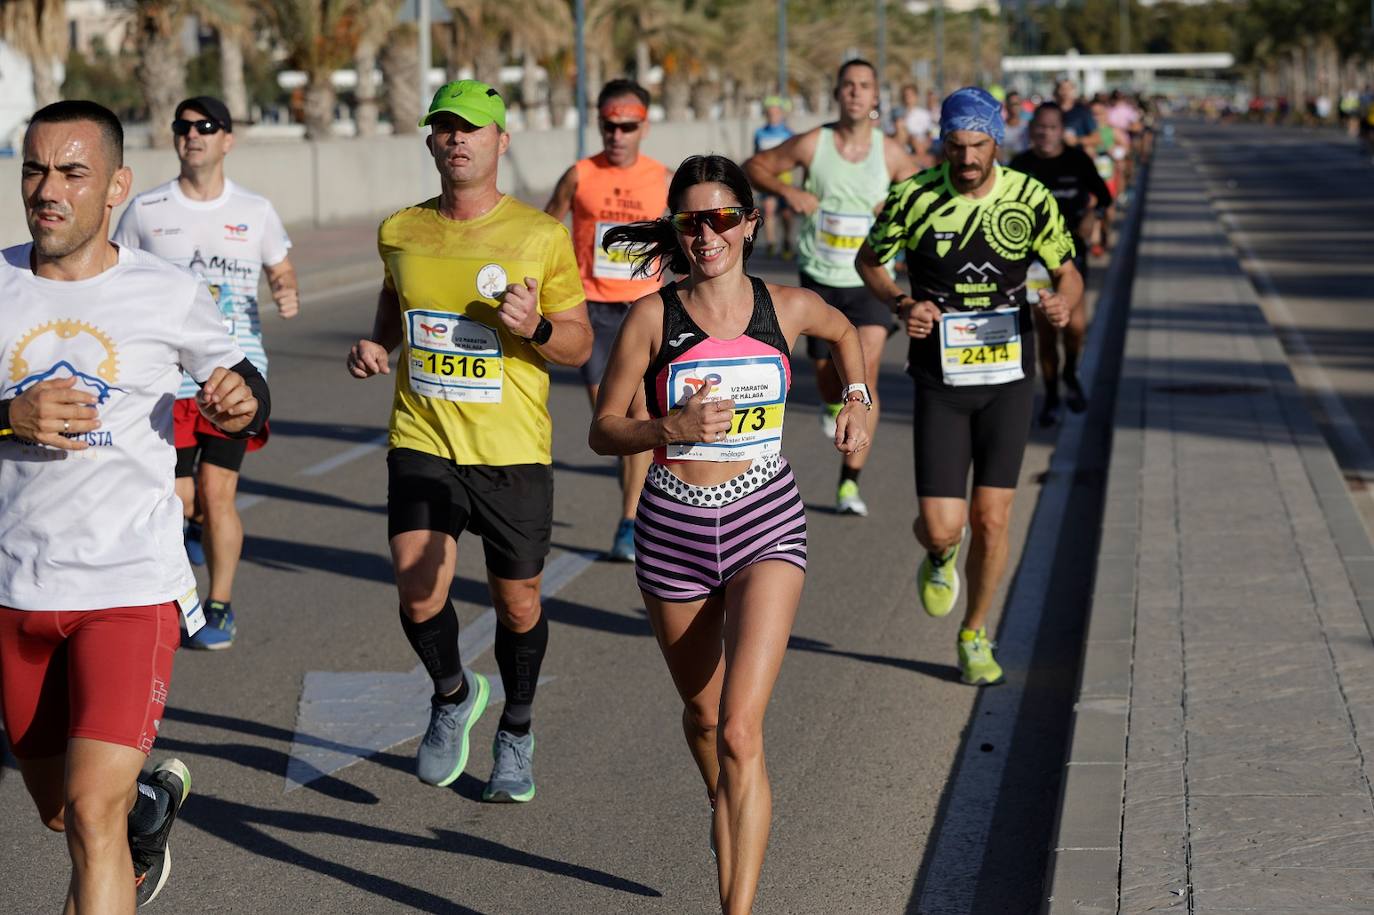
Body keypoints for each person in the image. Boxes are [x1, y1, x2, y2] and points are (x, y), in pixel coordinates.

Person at [1, 100, 269, 911]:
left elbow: (243, 380)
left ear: (115, 185)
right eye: (34, 170)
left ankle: (122, 813)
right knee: (61, 810)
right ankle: (148, 809)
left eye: (72, 173)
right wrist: (7, 415)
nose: (48, 190)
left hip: (130, 587)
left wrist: (237, 399)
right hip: (17, 588)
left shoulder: (165, 290)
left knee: (90, 812)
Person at [589, 154, 871, 915]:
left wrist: (859, 400)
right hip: (673, 527)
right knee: (706, 719)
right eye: (690, 222)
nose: (706, 234)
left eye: (720, 218)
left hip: (764, 519)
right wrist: (666, 426)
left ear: (749, 221)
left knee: (743, 730)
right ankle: (733, 801)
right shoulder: (654, 317)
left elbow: (847, 333)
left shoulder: (787, 306)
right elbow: (603, 429)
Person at [346, 80, 591, 803]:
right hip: (423, 437)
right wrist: (378, 345)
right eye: (446, 128)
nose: (458, 139)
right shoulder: (400, 230)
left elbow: (576, 343)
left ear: (501, 142)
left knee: (518, 606)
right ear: (429, 141)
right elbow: (397, 299)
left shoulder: (539, 236)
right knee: (418, 588)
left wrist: (536, 326)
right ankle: (452, 693)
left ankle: (515, 726)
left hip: (512, 449)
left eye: (473, 129)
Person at [855, 87, 1082, 685]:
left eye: (977, 145)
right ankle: (938, 554)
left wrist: (1063, 302)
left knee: (994, 518)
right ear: (943, 144)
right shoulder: (913, 197)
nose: (966, 159)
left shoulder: (1029, 197)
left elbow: (1068, 270)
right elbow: (868, 262)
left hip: (1008, 377)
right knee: (942, 526)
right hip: (941, 379)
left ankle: (975, 633)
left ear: (997, 143)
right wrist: (903, 302)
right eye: (955, 146)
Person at [113, 95, 298, 650]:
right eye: (182, 126)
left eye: (205, 126)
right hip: (167, 381)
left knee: (218, 493)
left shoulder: (255, 210)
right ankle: (191, 532)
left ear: (227, 139)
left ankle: (218, 605)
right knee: (181, 496)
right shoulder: (147, 210)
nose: (192, 135)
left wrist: (286, 290)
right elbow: (115, 278)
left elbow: (281, 268)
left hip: (234, 374)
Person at [744, 58, 915, 516]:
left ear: (876, 97)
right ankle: (829, 402)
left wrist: (894, 206)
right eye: (849, 86)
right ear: (838, 95)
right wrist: (787, 192)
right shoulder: (813, 143)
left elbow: (921, 199)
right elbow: (754, 166)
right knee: (826, 375)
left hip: (870, 278)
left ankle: (849, 484)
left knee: (867, 369)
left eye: (865, 86)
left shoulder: (892, 152)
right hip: (820, 276)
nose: (856, 93)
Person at [544, 78, 670, 562]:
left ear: (644, 125)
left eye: (627, 126)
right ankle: (639, 510)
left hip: (645, 312)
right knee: (612, 419)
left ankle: (630, 521)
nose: (616, 135)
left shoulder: (662, 178)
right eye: (608, 126)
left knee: (639, 416)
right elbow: (546, 228)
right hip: (591, 311)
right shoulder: (579, 174)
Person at [1010, 102, 1111, 427]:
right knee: (1047, 331)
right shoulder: (1019, 165)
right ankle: (1052, 394)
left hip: (1071, 255)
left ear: (1061, 130)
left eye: (1052, 127)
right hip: (1034, 262)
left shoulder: (1077, 159)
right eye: (1039, 127)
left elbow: (1103, 196)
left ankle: (1070, 373)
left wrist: (1090, 217)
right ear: (1031, 130)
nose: (1045, 134)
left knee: (1075, 327)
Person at [751, 96, 796, 258]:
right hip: (766, 178)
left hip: (784, 179)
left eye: (776, 112)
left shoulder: (789, 133)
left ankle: (787, 242)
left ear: (781, 113)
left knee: (786, 213)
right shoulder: (760, 133)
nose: (773, 115)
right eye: (770, 112)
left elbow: (795, 157)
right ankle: (771, 243)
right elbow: (756, 156)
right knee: (769, 210)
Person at [894, 83, 935, 167]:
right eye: (905, 95)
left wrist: (924, 144)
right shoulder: (896, 114)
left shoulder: (924, 114)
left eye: (910, 95)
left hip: (921, 145)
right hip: (904, 145)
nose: (907, 98)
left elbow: (930, 134)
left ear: (916, 96)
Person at [1054, 79, 1098, 154]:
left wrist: (1076, 140)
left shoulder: (1083, 111)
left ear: (1074, 91)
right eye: (1062, 88)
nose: (1065, 92)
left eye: (1068, 89)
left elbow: (1096, 138)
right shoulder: (1050, 111)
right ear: (1056, 91)